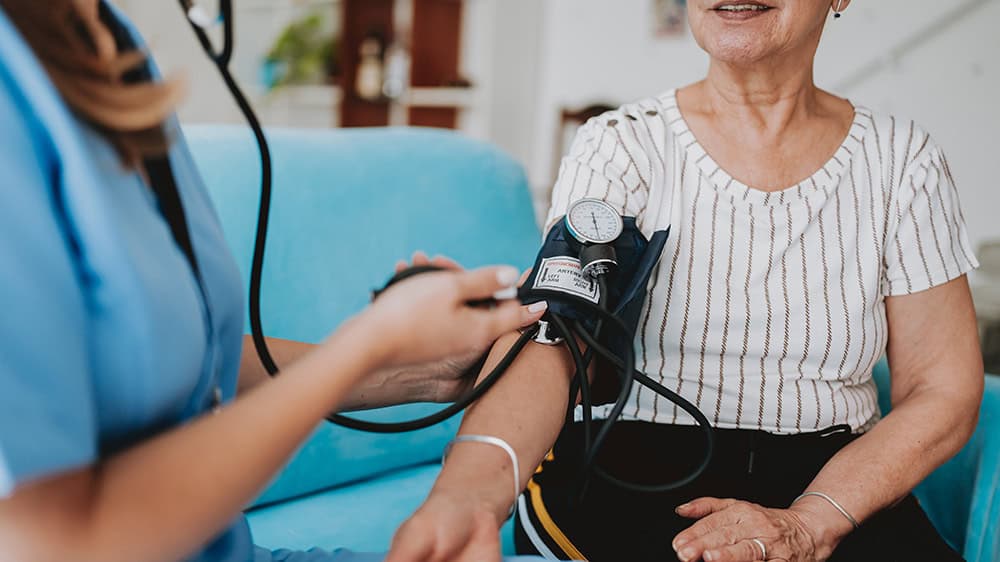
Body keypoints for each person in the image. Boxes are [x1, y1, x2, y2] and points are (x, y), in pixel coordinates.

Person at [386, 1, 985, 561]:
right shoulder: (621, 145)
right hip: (631, 463)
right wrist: (466, 495)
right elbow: (554, 344)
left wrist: (812, 519)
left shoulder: (903, 162)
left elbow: (943, 387)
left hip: (834, 480)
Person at [0, 2, 551, 561]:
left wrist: (423, 371)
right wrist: (371, 341)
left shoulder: (111, 43)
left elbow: (191, 373)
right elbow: (52, 542)